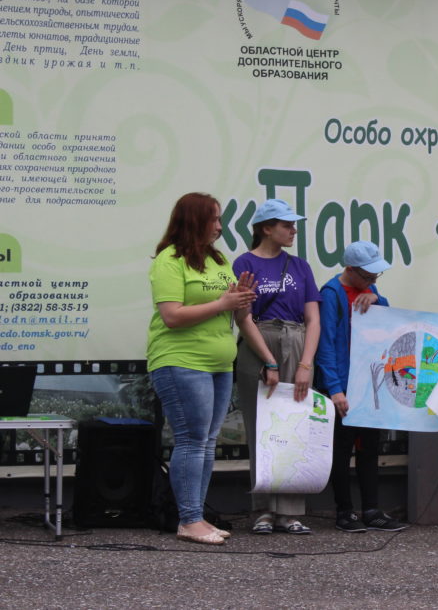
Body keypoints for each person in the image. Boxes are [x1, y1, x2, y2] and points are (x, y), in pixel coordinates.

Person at [147, 192, 256, 545]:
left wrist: (238, 300)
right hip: (181, 361)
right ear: (194, 220)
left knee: (207, 443)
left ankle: (197, 517)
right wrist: (221, 301)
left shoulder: (218, 259)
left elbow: (230, 310)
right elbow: (172, 315)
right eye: (214, 220)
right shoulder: (169, 259)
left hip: (220, 364)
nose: (220, 227)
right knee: (192, 440)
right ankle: (189, 520)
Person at [233, 199, 321, 535]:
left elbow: (313, 319)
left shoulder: (300, 266)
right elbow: (242, 316)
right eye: (286, 225)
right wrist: (268, 360)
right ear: (266, 227)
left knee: (294, 426)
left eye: (293, 224)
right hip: (259, 340)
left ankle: (290, 511)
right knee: (262, 428)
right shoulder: (244, 263)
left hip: (296, 341)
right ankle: (263, 510)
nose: (293, 230)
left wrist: (305, 363)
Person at [316, 241, 408, 533]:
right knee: (341, 450)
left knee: (370, 448)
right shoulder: (331, 294)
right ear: (350, 269)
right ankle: (344, 511)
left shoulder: (372, 291)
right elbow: (325, 344)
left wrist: (376, 300)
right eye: (367, 276)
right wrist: (334, 389)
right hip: (344, 384)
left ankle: (371, 509)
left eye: (376, 276)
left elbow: (388, 321)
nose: (373, 280)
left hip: (369, 384)